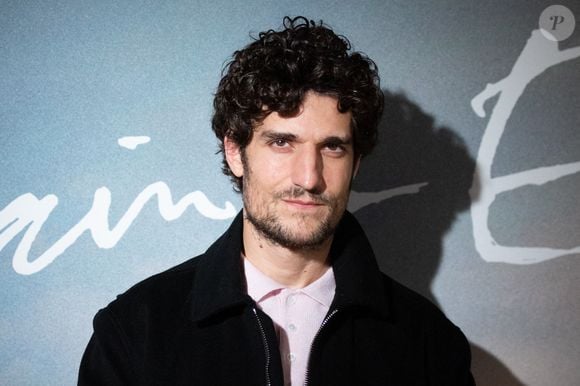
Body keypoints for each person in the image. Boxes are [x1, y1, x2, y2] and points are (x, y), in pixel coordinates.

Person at [79, 16, 474, 385]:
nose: (309, 177)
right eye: (282, 142)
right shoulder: (135, 331)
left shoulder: (430, 346)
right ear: (235, 153)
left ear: (355, 164)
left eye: (333, 147)